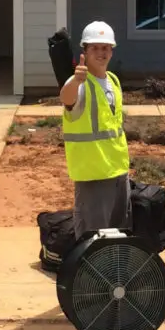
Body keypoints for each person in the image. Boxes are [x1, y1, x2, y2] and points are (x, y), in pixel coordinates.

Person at [60, 21, 131, 240]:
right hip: (93, 176)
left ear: (112, 50)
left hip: (118, 171)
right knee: (93, 238)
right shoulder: (80, 84)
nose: (101, 52)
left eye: (106, 47)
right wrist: (75, 81)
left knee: (118, 233)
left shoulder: (113, 81)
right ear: (85, 51)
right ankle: (90, 275)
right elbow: (67, 99)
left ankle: (114, 273)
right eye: (95, 48)